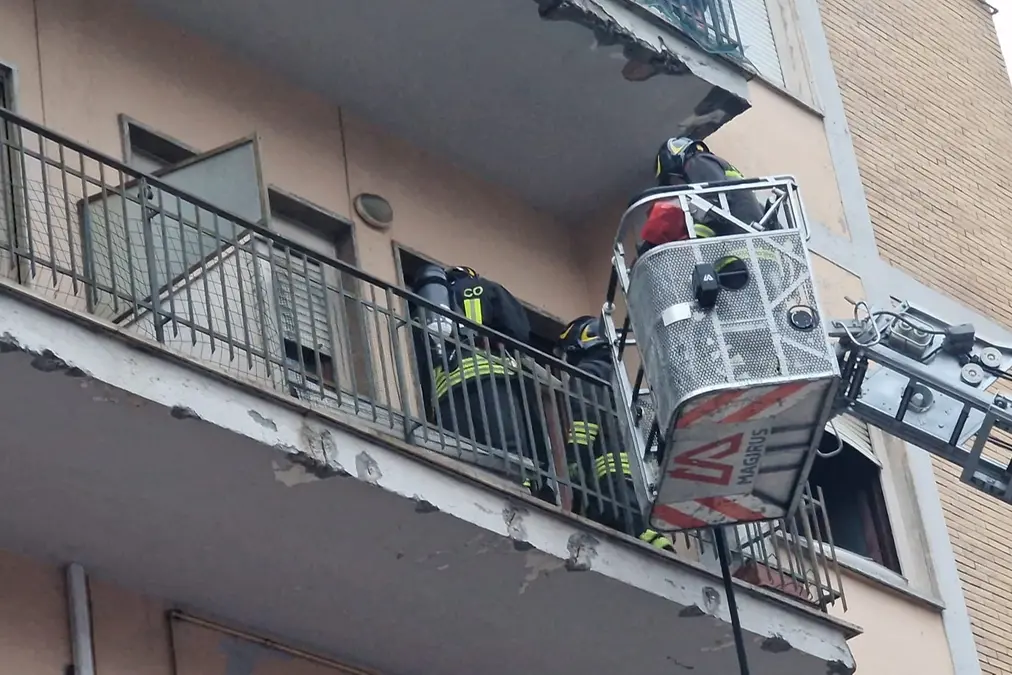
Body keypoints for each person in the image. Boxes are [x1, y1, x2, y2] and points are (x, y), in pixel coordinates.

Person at [410, 265, 554, 500]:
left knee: (464, 453)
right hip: (490, 377)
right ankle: (525, 489)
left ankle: (470, 492)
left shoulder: (425, 309)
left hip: (447, 391)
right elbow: (518, 332)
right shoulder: (485, 288)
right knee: (509, 448)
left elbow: (422, 361)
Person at [557, 314, 675, 552]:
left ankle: (657, 551)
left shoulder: (588, 372)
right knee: (635, 523)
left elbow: (585, 419)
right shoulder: (617, 379)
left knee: (619, 519)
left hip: (609, 473)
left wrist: (573, 463)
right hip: (635, 473)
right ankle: (660, 548)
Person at [640, 136, 765, 255]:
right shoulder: (724, 175)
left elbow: (714, 202)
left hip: (740, 251)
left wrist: (692, 241)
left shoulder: (697, 161)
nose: (675, 188)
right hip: (756, 248)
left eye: (673, 181)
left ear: (674, 164)